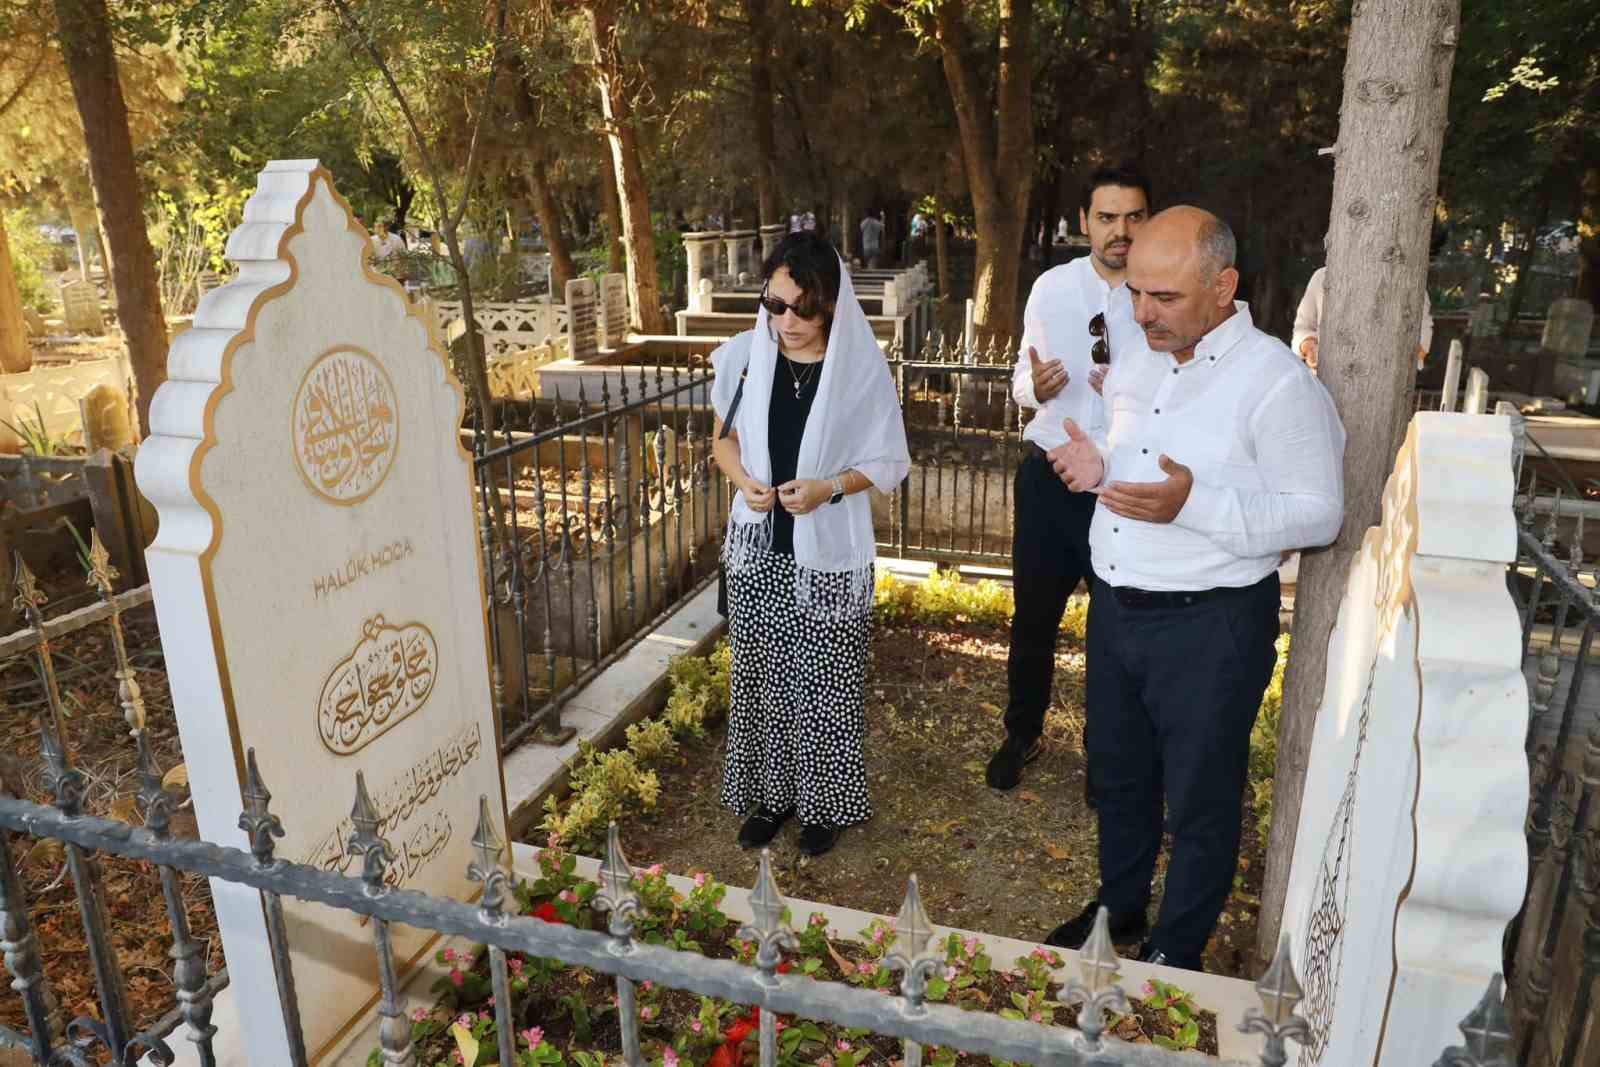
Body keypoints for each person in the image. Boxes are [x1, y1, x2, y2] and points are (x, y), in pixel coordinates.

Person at [1044, 206, 1345, 970]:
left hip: (1210, 624)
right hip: (1116, 606)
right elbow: (1133, 453)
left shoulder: (1276, 382)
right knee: (1118, 775)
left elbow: (1320, 512)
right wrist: (1099, 463)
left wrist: (1197, 505)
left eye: (1165, 297)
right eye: (1136, 292)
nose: (1144, 312)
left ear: (1223, 286)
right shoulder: (1140, 355)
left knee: (1200, 798)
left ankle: (1176, 952)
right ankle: (1120, 907)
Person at [710, 231, 910, 858]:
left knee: (826, 686)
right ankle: (772, 798)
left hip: (826, 556)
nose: (788, 321)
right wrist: (744, 482)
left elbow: (888, 461)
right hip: (759, 550)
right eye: (775, 305)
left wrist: (829, 488)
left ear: (830, 304)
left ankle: (825, 804)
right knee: (764, 680)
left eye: (805, 308)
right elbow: (722, 441)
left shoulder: (858, 369)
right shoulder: (745, 357)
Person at [987, 165, 1151, 793]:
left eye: (1133, 216)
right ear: (1084, 221)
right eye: (1107, 217)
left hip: (1121, 481)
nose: (1120, 230)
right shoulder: (1052, 288)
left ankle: (1103, 751)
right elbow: (1020, 380)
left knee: (1114, 626)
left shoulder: (1162, 294)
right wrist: (1036, 386)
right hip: (1049, 477)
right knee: (1033, 616)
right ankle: (1022, 732)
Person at [1292, 263, 1433, 373]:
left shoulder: (1407, 280)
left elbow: (1423, 336)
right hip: (1324, 386)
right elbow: (1302, 329)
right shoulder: (1321, 277)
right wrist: (1309, 347)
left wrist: (1392, 362)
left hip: (1384, 389)